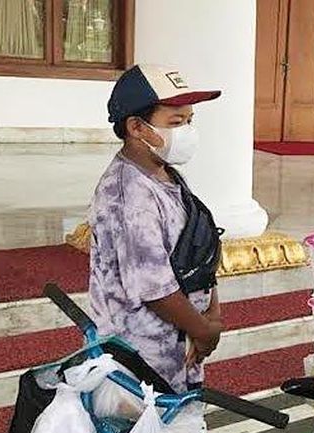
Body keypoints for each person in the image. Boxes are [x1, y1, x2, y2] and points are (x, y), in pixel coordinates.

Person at [89, 64, 225, 394]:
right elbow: (155, 289)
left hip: (180, 343)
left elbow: (196, 249)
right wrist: (206, 331)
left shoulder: (165, 173)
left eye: (190, 121)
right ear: (136, 126)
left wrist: (212, 315)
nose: (187, 132)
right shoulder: (127, 195)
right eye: (176, 123)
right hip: (143, 363)